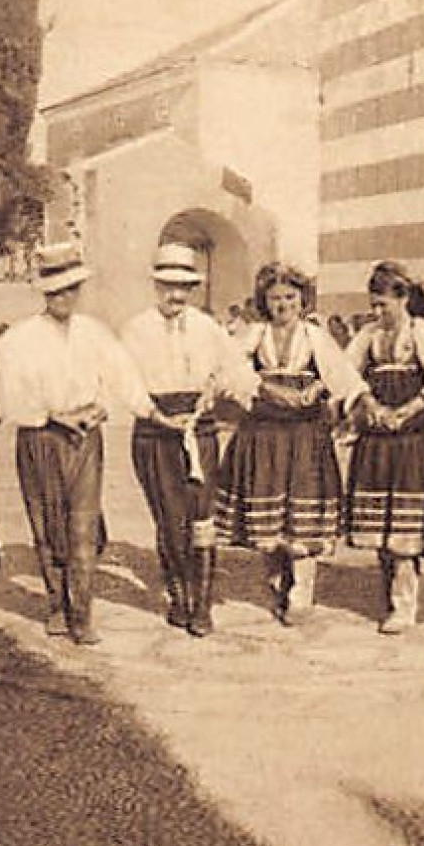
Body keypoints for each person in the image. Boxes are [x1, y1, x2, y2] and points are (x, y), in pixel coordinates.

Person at [0, 243, 147, 646]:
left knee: (83, 523)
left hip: (84, 436)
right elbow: (10, 394)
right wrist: (51, 415)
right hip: (41, 435)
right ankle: (56, 604)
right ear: (44, 293)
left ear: (79, 291)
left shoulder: (95, 333)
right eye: (55, 291)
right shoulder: (20, 338)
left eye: (70, 290)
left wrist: (103, 408)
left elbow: (123, 378)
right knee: (47, 522)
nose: (63, 298)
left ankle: (82, 613)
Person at [119, 243, 260, 638]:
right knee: (170, 519)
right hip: (155, 432)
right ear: (155, 285)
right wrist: (154, 413)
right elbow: (124, 381)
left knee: (202, 516)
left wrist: (219, 391)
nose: (175, 295)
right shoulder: (136, 328)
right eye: (167, 285)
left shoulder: (207, 328)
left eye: (184, 287)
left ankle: (202, 603)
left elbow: (238, 372)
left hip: (199, 430)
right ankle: (179, 595)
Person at [217, 262, 369, 626]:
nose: (283, 305)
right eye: (275, 298)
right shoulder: (255, 334)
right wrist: (267, 388)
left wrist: (317, 388)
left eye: (290, 297)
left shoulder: (314, 335)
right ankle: (277, 580)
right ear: (264, 302)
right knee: (268, 511)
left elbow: (341, 374)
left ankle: (302, 589)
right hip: (264, 433)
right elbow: (230, 371)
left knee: (303, 510)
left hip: (304, 434)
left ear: (302, 300)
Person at [342, 260, 424, 635]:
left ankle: (405, 603)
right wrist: (369, 405)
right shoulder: (369, 334)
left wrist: (406, 411)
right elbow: (347, 373)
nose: (377, 312)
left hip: (412, 438)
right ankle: (388, 596)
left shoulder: (420, 331)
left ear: (403, 299)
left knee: (404, 522)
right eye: (373, 305)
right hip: (377, 438)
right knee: (378, 520)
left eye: (383, 304)